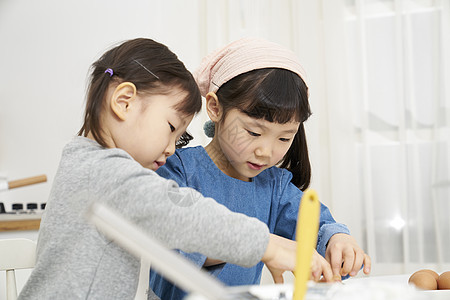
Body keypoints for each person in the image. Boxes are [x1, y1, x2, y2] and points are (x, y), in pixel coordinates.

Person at [18, 38, 300, 300]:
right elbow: (178, 211)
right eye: (170, 129)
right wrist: (266, 245)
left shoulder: (90, 166)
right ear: (124, 102)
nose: (171, 148)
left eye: (179, 139)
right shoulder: (103, 172)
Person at [149, 37, 372, 299]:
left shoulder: (274, 186)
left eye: (284, 138)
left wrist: (337, 240)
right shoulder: (177, 170)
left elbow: (315, 224)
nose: (266, 152)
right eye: (254, 132)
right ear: (215, 108)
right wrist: (261, 246)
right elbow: (171, 247)